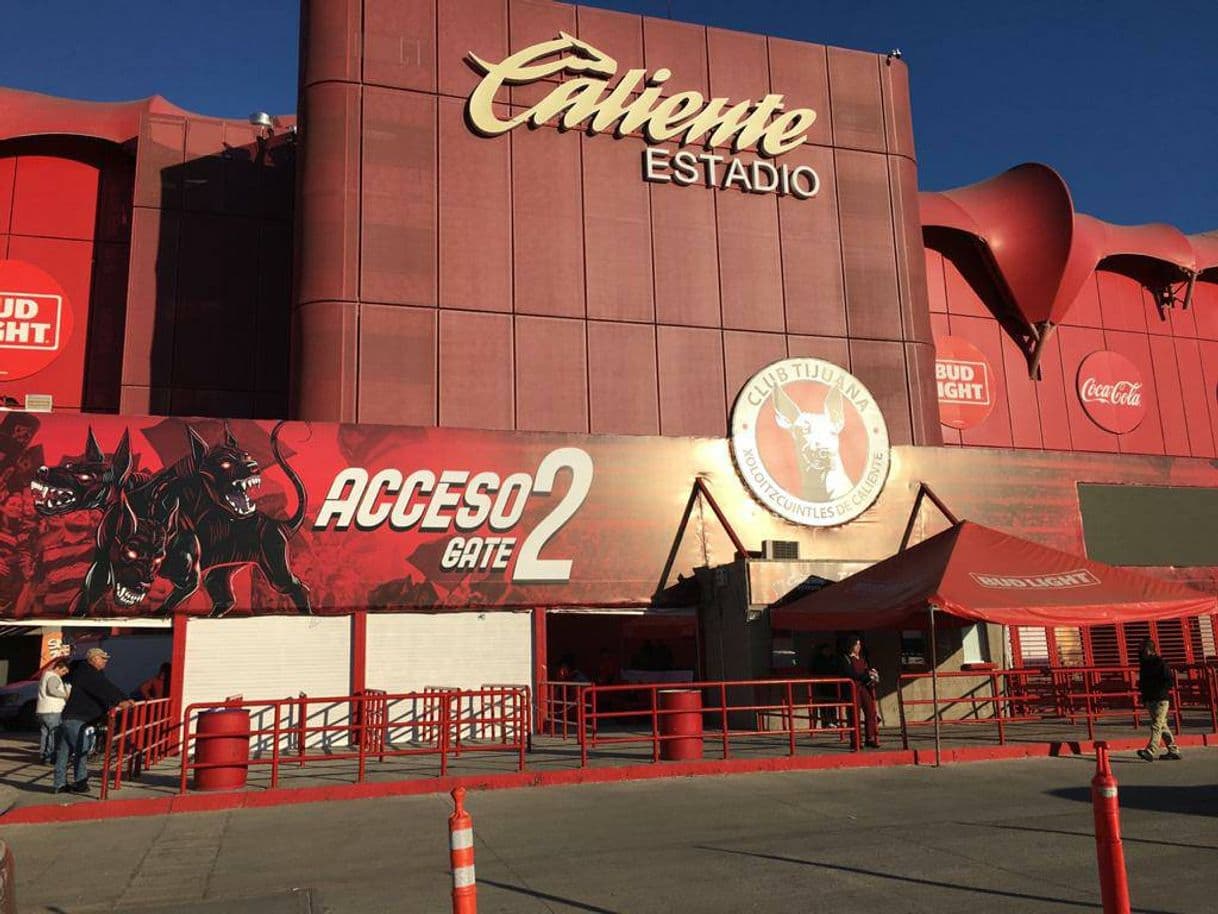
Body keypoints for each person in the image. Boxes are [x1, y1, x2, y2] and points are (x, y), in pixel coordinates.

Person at [53, 648, 134, 794]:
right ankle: (81, 782)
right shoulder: (88, 674)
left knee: (64, 752)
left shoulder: (88, 673)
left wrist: (123, 698)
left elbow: (106, 686)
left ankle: (59, 784)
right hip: (77, 718)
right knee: (81, 750)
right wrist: (120, 700)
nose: (105, 661)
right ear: (94, 659)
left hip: (71, 717)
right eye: (103, 658)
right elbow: (103, 688)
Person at [1135, 638, 1182, 762]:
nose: (1140, 652)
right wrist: (1144, 697)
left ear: (1148, 650)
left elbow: (1169, 680)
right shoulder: (1144, 664)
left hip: (1160, 699)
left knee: (1156, 725)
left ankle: (1150, 751)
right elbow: (1143, 682)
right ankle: (1173, 750)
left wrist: (1159, 690)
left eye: (1142, 649)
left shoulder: (1160, 663)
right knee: (1162, 725)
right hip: (1150, 699)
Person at [839, 635, 881, 748]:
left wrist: (872, 674)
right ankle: (856, 741)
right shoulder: (846, 658)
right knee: (854, 715)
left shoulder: (862, 658)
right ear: (851, 645)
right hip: (853, 688)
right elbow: (850, 674)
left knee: (870, 711)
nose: (858, 647)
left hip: (864, 688)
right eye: (856, 644)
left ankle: (870, 738)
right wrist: (865, 676)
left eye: (859, 644)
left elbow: (866, 669)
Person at [35, 659, 71, 764]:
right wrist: (66, 695)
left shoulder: (45, 675)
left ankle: (44, 757)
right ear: (58, 668)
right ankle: (51, 757)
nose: (64, 674)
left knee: (45, 735)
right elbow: (52, 690)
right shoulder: (53, 677)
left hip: (42, 710)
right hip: (52, 710)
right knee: (54, 735)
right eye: (63, 671)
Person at [809, 643, 838, 728]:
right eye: (826, 650)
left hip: (832, 684)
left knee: (832, 703)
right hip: (822, 684)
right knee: (824, 703)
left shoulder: (833, 658)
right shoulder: (818, 660)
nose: (828, 652)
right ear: (822, 651)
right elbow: (813, 670)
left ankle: (834, 721)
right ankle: (826, 722)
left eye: (829, 650)